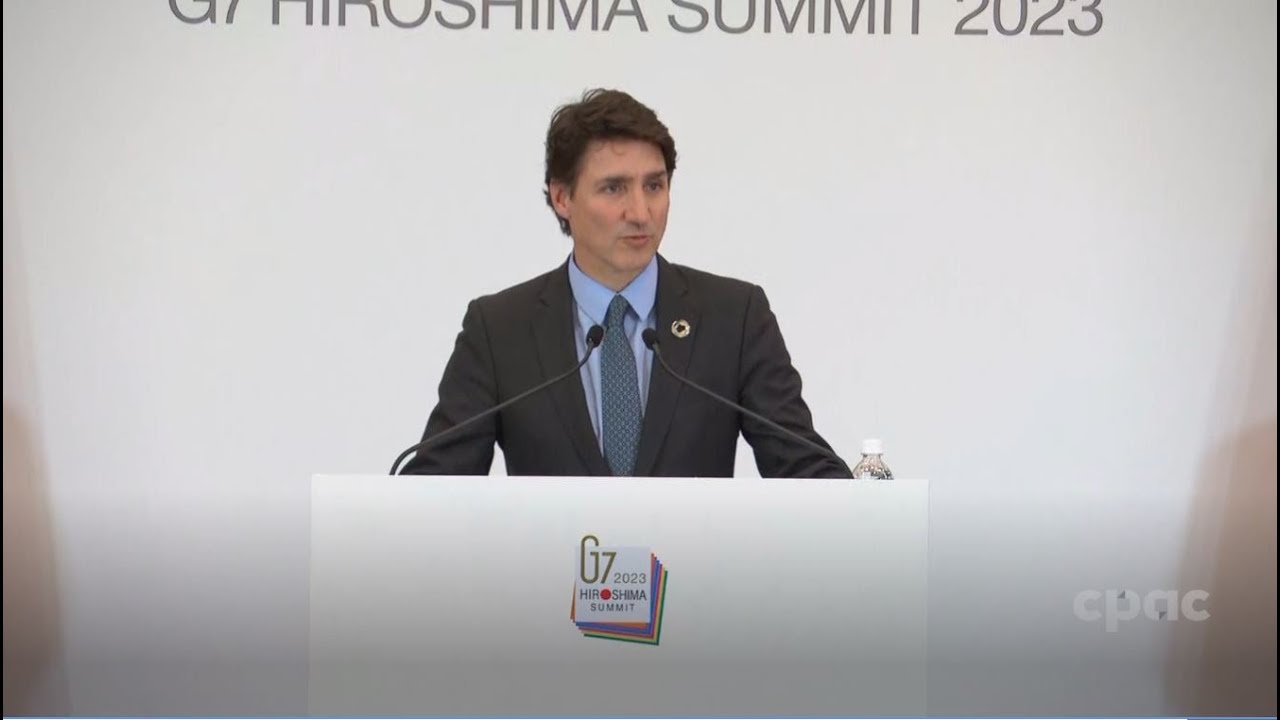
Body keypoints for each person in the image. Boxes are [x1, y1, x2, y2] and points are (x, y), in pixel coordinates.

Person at [401, 88, 849, 478]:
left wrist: (871, 514)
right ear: (562, 197)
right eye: (614, 189)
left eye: (654, 186)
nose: (640, 212)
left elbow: (802, 467)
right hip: (551, 578)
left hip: (693, 575)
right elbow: (434, 489)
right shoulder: (500, 330)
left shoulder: (734, 317)